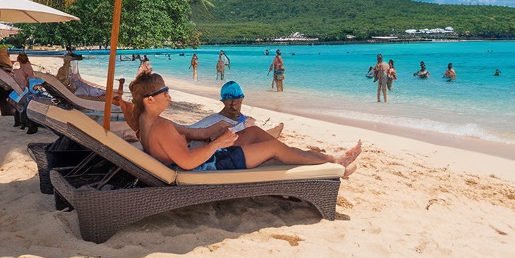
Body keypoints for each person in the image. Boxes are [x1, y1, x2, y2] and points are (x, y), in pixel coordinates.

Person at [131, 72, 360, 175]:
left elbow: (189, 132)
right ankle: (334, 163)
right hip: (211, 164)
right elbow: (189, 163)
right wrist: (217, 144)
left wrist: (210, 132)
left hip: (205, 156)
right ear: (150, 99)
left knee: (254, 132)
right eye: (165, 92)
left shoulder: (146, 120)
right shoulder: (161, 128)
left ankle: (298, 155)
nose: (169, 96)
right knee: (273, 148)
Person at [189, 81, 284, 139]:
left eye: (237, 98)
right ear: (223, 101)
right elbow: (190, 131)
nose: (233, 102)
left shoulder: (247, 119)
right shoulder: (214, 121)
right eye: (229, 98)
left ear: (242, 98)